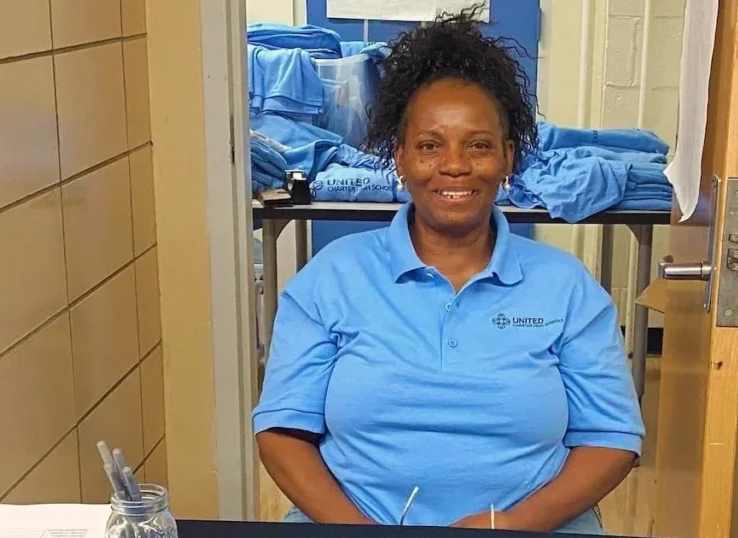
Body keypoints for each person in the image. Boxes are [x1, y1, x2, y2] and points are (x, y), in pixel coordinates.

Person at [253, 8, 644, 533]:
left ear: (507, 158)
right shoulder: (331, 278)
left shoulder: (566, 287)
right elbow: (281, 431)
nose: (455, 165)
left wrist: (514, 524)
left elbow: (612, 437)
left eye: (478, 145)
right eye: (430, 145)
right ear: (400, 158)